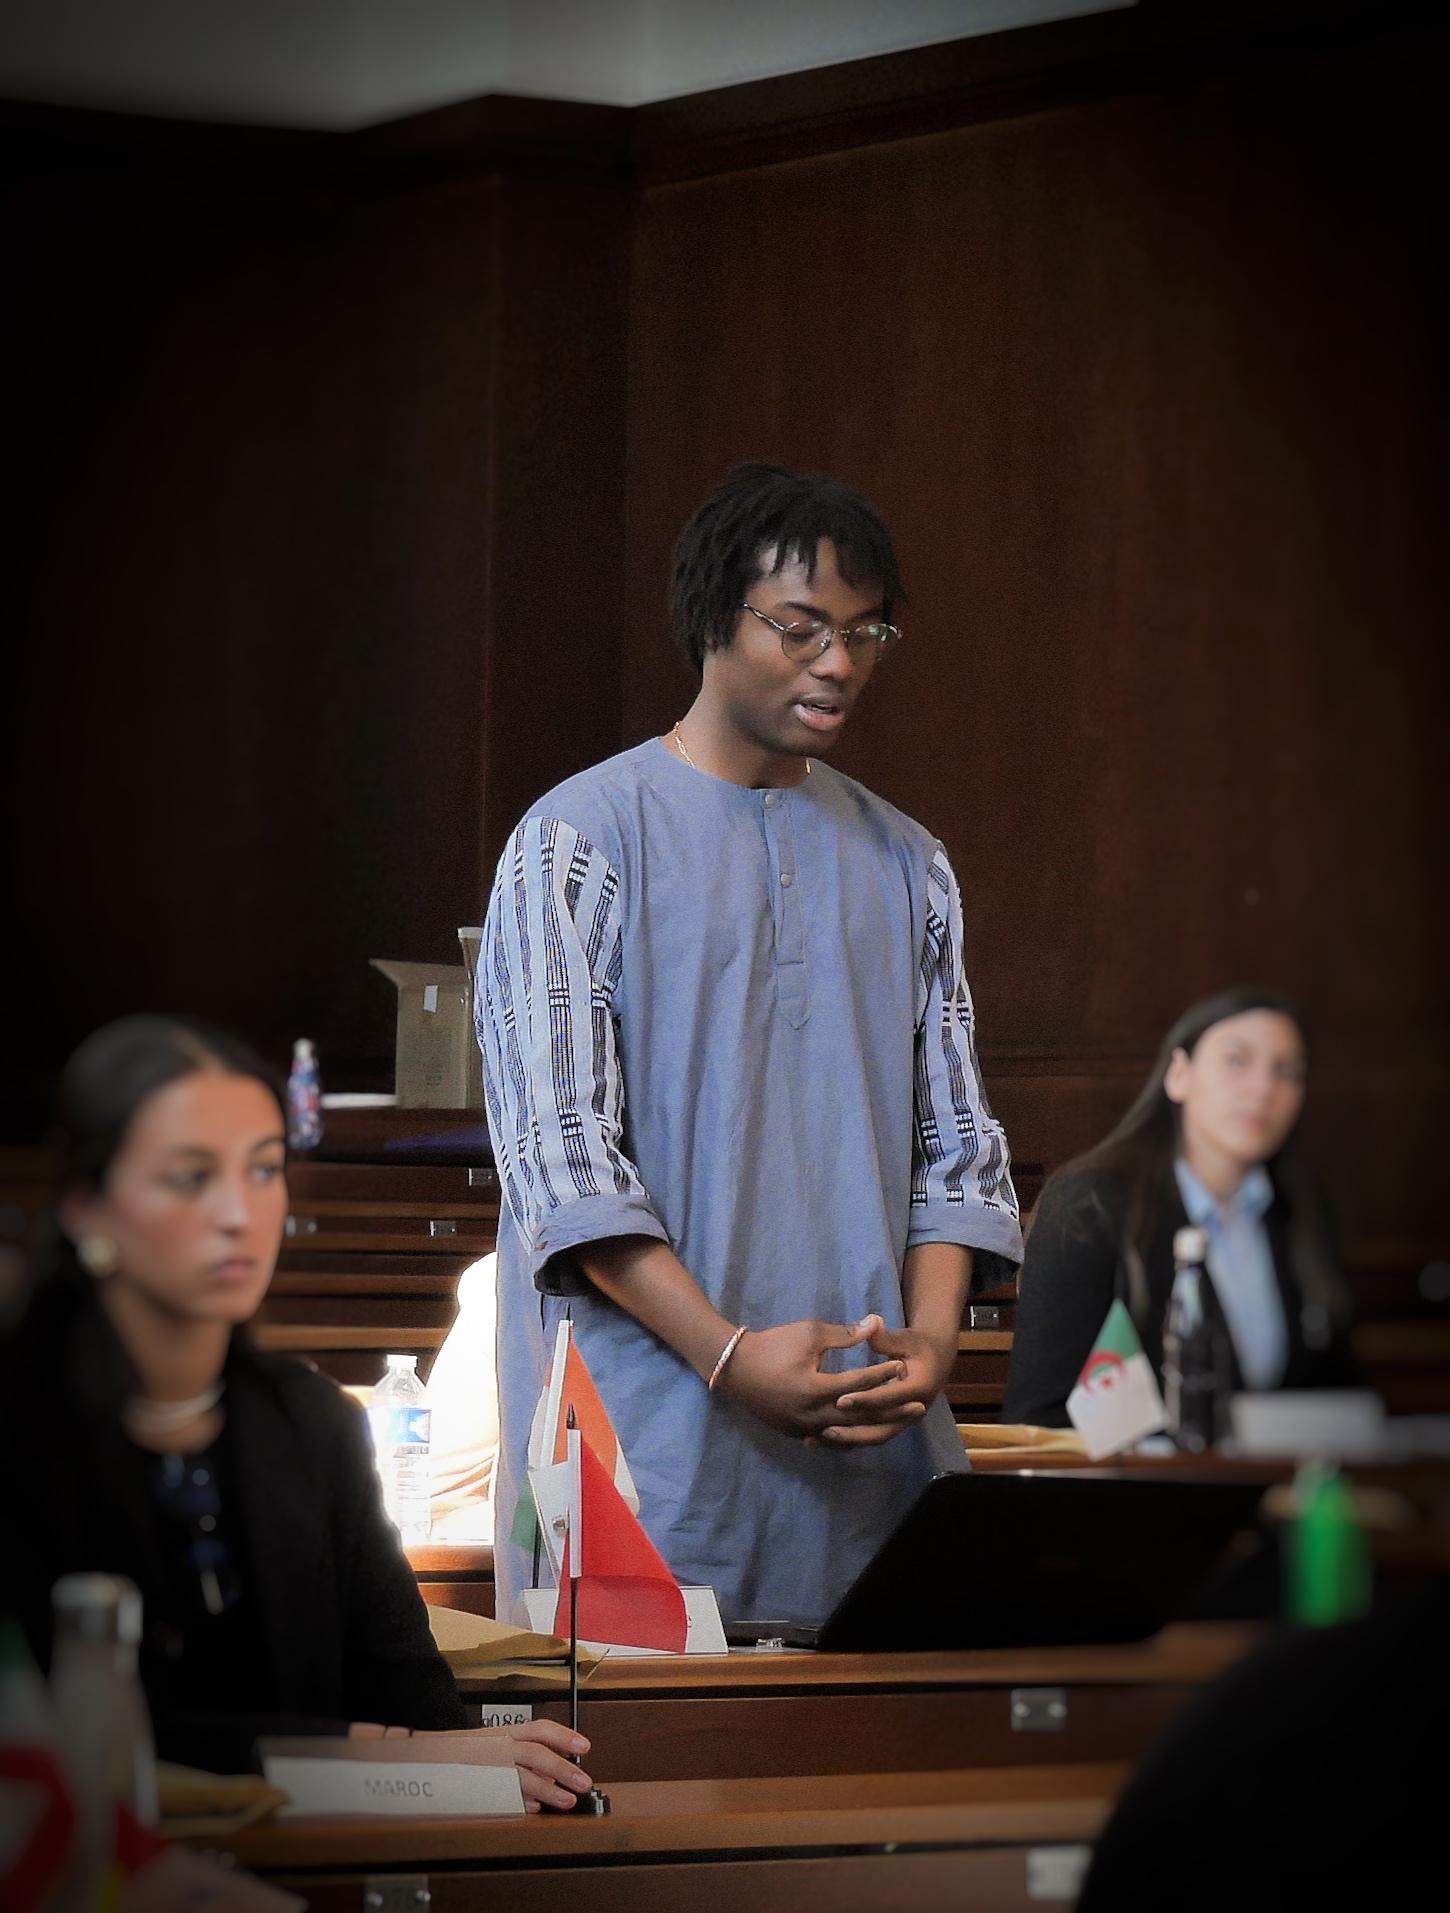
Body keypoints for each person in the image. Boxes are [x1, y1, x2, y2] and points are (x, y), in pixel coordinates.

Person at [477, 462, 1021, 1629]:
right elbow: (564, 1167)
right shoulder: (575, 841)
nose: (839, 662)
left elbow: (959, 1152)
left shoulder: (909, 860)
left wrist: (930, 1344)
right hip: (644, 1458)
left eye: (864, 632)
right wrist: (728, 1355)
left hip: (876, 1465)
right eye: (800, 626)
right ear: (713, 618)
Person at [0, 1016, 593, 1804]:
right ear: (88, 1207)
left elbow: (415, 1703)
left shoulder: (310, 1425)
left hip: (318, 1851)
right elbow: (75, 1736)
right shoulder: (25, 1429)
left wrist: (446, 1756)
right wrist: (379, 1754)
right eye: (191, 1175)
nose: (238, 1212)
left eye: (262, 1169)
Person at [1003, 987, 1355, 1427]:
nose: (1264, 1088)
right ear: (1179, 1075)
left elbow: (1333, 1394)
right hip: (1125, 1471)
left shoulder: (1299, 1207)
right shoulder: (1089, 1202)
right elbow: (1038, 1418)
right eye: (1237, 1060)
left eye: (1287, 1071)